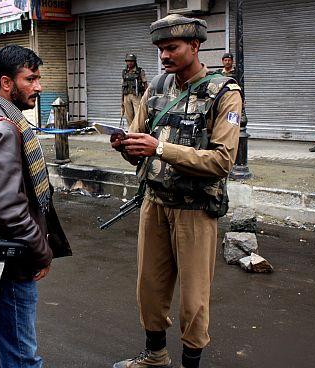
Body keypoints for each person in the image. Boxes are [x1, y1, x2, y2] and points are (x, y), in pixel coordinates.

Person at [111, 14, 242, 368]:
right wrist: (125, 145)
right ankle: (155, 356)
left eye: (172, 47)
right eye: (160, 49)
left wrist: (158, 148)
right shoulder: (155, 88)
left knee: (194, 300)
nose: (164, 55)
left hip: (195, 209)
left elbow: (222, 161)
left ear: (195, 46)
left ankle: (191, 364)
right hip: (154, 203)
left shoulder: (223, 93)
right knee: (149, 289)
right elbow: (140, 146)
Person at [0, 44, 71, 368]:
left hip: (2, 258)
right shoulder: (6, 129)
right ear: (6, 83)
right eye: (31, 79)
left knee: (4, 349)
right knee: (24, 358)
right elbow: (9, 207)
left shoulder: (2, 121)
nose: (39, 87)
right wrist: (42, 250)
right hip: (12, 262)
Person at [122, 53, 148, 125]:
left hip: (136, 96)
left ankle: (138, 131)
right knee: (128, 116)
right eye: (128, 61)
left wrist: (146, 97)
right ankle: (131, 131)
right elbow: (123, 86)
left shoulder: (140, 71)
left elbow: (145, 84)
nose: (129, 63)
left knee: (138, 115)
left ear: (135, 62)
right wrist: (122, 100)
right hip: (126, 96)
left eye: (131, 61)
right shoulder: (124, 72)